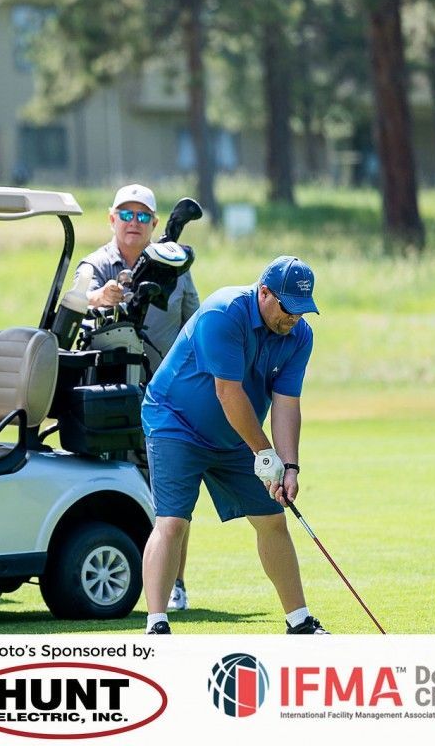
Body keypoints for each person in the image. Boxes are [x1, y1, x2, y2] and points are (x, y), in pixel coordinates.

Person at [139, 255, 328, 636]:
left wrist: (289, 467)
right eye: (287, 308)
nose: (293, 318)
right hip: (176, 423)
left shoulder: (299, 336)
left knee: (273, 520)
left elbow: (287, 403)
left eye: (301, 311)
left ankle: (299, 622)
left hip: (236, 434)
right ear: (264, 293)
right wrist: (265, 454)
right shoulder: (223, 313)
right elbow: (228, 393)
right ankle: (156, 625)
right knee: (172, 521)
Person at [79, 183, 200, 611]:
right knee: (112, 486)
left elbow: (195, 328)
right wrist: (103, 296)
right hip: (112, 393)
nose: (133, 223)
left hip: (169, 398)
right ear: (112, 219)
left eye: (142, 216)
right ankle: (125, 574)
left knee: (171, 495)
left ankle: (176, 584)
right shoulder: (96, 264)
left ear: (153, 223)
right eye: (125, 215)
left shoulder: (176, 266)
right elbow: (78, 299)